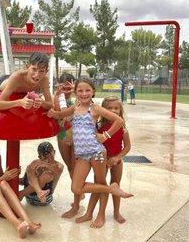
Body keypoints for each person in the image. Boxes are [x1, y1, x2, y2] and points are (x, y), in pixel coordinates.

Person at [47, 77, 133, 228]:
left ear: (93, 92)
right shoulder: (74, 108)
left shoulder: (95, 108)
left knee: (100, 181)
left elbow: (119, 121)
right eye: (80, 90)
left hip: (97, 152)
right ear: (75, 92)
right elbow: (59, 114)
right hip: (82, 156)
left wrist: (105, 136)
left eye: (87, 90)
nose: (84, 93)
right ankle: (111, 189)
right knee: (76, 187)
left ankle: (100, 216)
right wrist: (52, 101)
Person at [76, 96, 131, 227]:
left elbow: (128, 146)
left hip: (116, 160)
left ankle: (116, 212)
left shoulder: (121, 126)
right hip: (102, 159)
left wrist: (117, 157)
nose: (113, 110)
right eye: (109, 108)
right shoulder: (99, 125)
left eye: (116, 108)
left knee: (115, 184)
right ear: (103, 109)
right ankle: (89, 213)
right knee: (99, 186)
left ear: (120, 110)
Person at [53, 73, 81, 218]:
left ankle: (77, 196)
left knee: (76, 169)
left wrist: (75, 90)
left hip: (77, 138)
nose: (66, 88)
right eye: (63, 85)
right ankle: (78, 191)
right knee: (70, 167)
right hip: (63, 136)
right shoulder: (58, 97)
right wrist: (57, 95)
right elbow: (58, 113)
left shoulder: (79, 97)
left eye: (69, 85)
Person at [19, 142, 64, 206]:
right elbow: (24, 181)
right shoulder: (35, 163)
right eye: (45, 158)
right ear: (39, 157)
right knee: (30, 167)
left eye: (51, 156)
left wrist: (45, 164)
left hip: (44, 200)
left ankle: (22, 194)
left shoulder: (59, 166)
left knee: (46, 175)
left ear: (54, 152)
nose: (49, 160)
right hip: (29, 197)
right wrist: (13, 176)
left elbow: (56, 170)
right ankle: (39, 192)